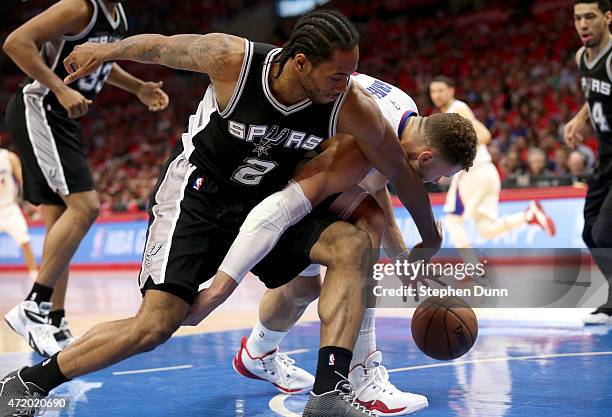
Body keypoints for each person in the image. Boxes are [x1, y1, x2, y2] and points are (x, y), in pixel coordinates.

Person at [0, 10, 446, 417]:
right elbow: (161, 45)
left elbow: (400, 174)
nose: (346, 83)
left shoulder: (350, 105)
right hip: (197, 194)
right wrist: (107, 50)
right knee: (156, 325)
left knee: (351, 243)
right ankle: (29, 381)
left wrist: (430, 236)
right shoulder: (235, 60)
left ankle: (329, 394)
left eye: (350, 72)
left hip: (265, 199)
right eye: (337, 74)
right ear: (301, 63)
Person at [215, 72, 477, 416]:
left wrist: (402, 260)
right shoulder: (371, 124)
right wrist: (418, 246)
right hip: (263, 170)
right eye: (442, 174)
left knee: (303, 288)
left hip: (293, 164)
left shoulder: (403, 114)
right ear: (426, 158)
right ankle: (361, 376)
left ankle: (257, 353)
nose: (437, 181)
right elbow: (371, 201)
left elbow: (376, 185)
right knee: (359, 246)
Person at [3, 0, 169, 357]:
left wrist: (138, 87)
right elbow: (15, 42)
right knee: (86, 207)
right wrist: (60, 88)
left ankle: (54, 320)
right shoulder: (78, 8)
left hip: (61, 117)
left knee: (61, 221)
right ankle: (34, 305)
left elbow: (99, 63)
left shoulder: (119, 13)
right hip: (42, 107)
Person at [428, 76, 556, 253]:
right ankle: (528, 216)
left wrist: (453, 153)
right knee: (486, 229)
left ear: (451, 91)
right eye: (433, 91)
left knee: (452, 219)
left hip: (474, 172)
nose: (436, 95)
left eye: (441, 90)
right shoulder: (455, 111)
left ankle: (471, 269)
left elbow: (484, 135)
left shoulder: (457, 109)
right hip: (488, 172)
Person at [565, 0, 612, 325]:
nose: (583, 23)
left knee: (606, 231)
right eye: (578, 18)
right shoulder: (583, 57)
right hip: (607, 155)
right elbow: (593, 96)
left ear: (608, 18)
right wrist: (580, 119)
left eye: (590, 17)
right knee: (590, 230)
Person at [0, 148, 38, 279]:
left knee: (25, 241)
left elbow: (23, 179)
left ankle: (35, 277)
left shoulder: (8, 157)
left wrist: (31, 200)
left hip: (9, 208)